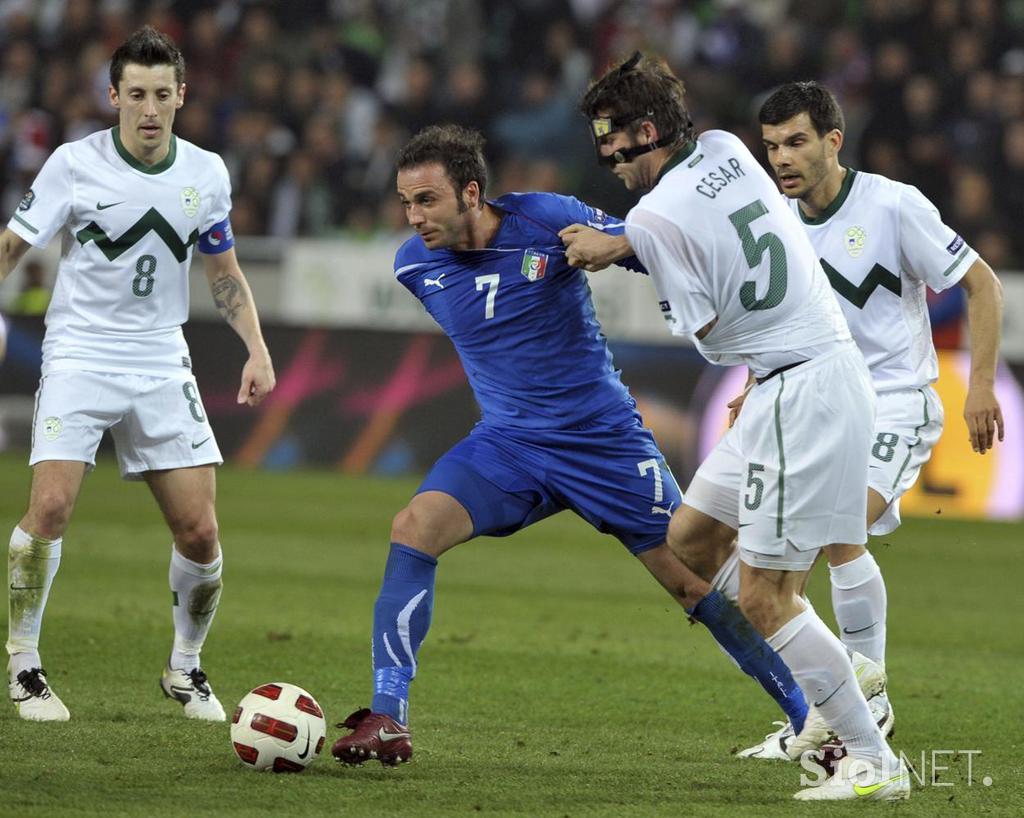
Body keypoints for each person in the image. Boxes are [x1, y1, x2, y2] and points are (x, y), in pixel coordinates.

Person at [331, 123, 812, 767]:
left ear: (471, 193)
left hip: (602, 442)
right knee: (414, 527)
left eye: (426, 200)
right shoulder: (414, 267)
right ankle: (388, 714)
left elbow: (652, 250)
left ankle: (813, 717)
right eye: (405, 202)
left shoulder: (545, 217)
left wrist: (620, 250)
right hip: (510, 445)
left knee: (694, 583)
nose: (413, 217)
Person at [562, 53, 907, 801]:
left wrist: (624, 245)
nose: (607, 155)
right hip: (804, 371)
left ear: (645, 131)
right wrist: (629, 239)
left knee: (764, 598)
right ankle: (838, 677)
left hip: (795, 389)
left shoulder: (650, 218)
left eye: (611, 137)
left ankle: (872, 756)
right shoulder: (724, 147)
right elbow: (710, 224)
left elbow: (710, 329)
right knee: (690, 539)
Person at [0, 26, 276, 722]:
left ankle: (185, 667)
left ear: (181, 95)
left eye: (161, 94)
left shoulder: (206, 174)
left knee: (201, 532)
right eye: (136, 94)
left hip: (159, 357)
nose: (149, 109)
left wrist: (256, 346)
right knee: (51, 507)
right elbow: (10, 246)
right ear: (114, 96)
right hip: (80, 350)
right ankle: (24, 663)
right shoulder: (73, 164)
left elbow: (223, 271)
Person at [732, 79, 1004, 758]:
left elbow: (982, 284)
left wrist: (980, 385)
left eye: (796, 142)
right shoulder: (777, 223)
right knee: (782, 566)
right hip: (818, 402)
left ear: (833, 141)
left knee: (840, 526)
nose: (782, 158)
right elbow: (780, 322)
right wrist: (752, 384)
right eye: (771, 146)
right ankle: (825, 713)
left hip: (895, 400)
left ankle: (869, 703)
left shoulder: (892, 205)